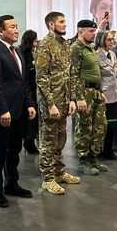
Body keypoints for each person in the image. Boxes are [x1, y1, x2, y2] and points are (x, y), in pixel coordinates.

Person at [0, 15, 36, 207]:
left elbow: (24, 82)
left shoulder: (17, 51)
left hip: (19, 109)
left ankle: (11, 184)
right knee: (0, 151)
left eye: (16, 26)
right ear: (0, 30)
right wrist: (2, 110)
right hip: (4, 112)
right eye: (12, 27)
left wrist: (29, 103)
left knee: (15, 149)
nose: (16, 30)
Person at [35, 11, 79, 195]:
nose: (65, 24)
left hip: (64, 101)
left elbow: (70, 74)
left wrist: (72, 99)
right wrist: (50, 104)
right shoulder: (44, 45)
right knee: (48, 141)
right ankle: (48, 179)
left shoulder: (64, 44)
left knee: (60, 139)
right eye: (61, 22)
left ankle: (59, 173)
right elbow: (41, 78)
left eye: (65, 21)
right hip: (50, 103)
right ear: (51, 24)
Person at [70, 20, 108, 175]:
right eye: (91, 31)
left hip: (95, 91)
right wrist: (79, 98)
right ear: (81, 32)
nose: (94, 34)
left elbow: (95, 72)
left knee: (100, 126)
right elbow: (74, 75)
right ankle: (82, 160)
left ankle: (93, 158)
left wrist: (100, 92)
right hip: (84, 91)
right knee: (84, 127)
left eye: (94, 31)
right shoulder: (75, 49)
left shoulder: (90, 48)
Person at [96, 30, 117, 162]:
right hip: (104, 94)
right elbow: (97, 78)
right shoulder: (96, 55)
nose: (112, 42)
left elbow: (116, 76)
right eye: (109, 39)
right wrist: (99, 92)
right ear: (102, 41)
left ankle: (108, 150)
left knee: (112, 124)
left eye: (113, 39)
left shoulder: (112, 54)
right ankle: (98, 151)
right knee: (101, 125)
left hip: (114, 93)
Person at [19, 29, 39, 154]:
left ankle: (30, 140)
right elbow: (22, 71)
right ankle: (28, 141)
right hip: (26, 88)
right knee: (28, 118)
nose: (36, 44)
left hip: (33, 86)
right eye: (34, 41)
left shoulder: (33, 53)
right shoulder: (20, 53)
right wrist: (32, 65)